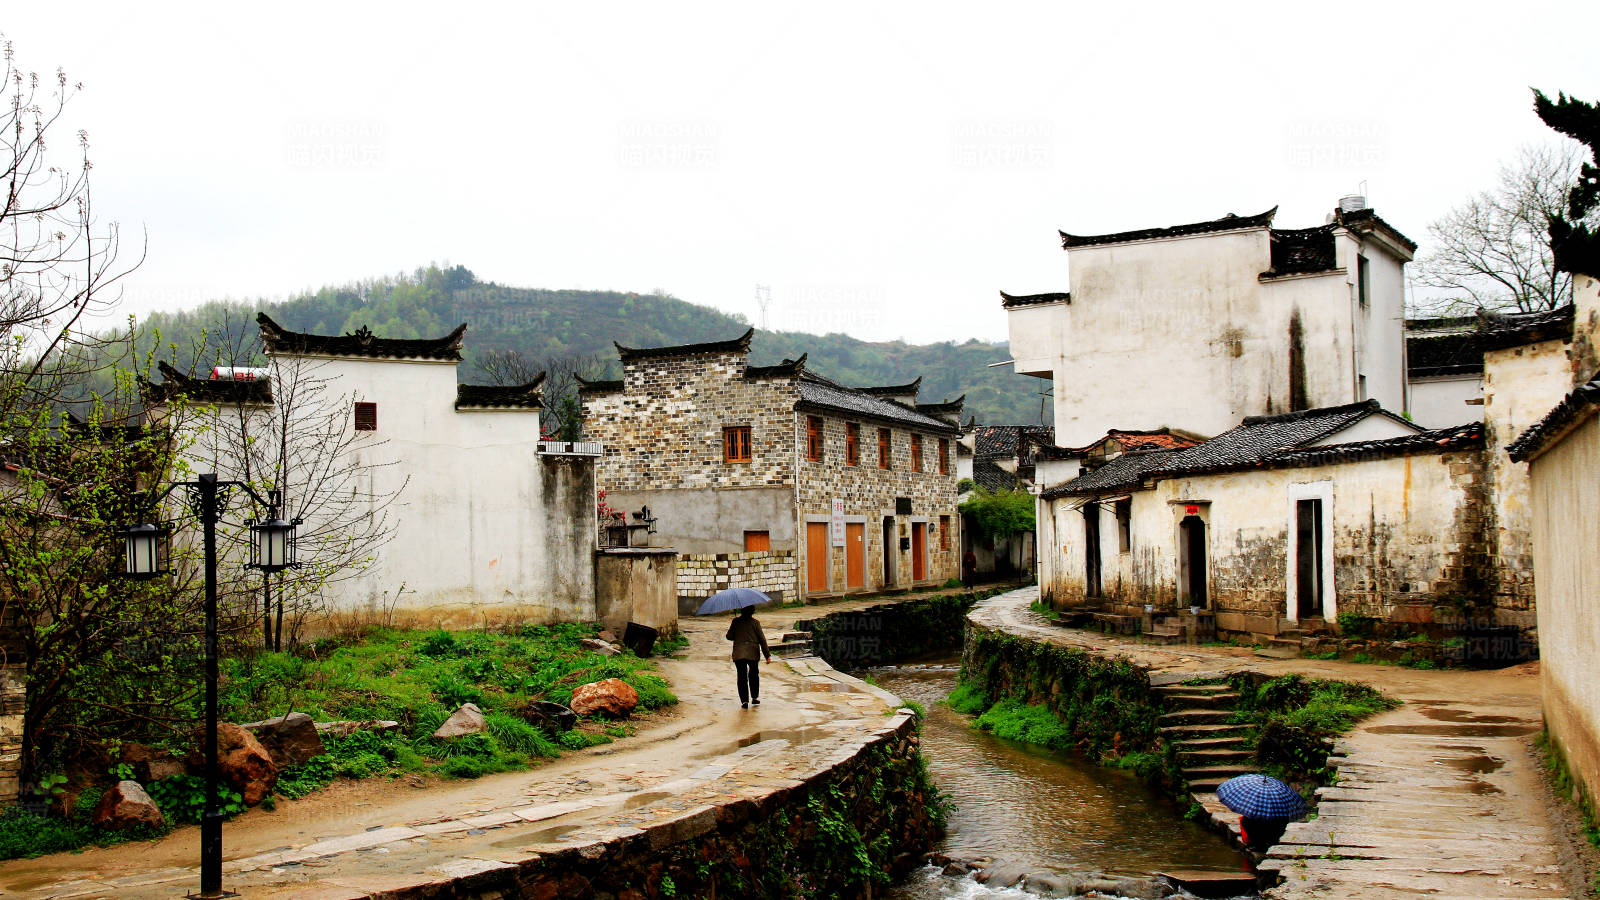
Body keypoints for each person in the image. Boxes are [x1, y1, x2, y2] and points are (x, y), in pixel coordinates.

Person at [725, 606, 771, 708]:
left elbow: (729, 636)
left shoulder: (736, 621)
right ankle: (754, 697)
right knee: (754, 674)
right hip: (752, 653)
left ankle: (744, 701)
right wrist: (767, 655)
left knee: (742, 677)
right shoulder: (755, 623)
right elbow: (762, 640)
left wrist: (735, 625)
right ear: (752, 612)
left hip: (739, 653)